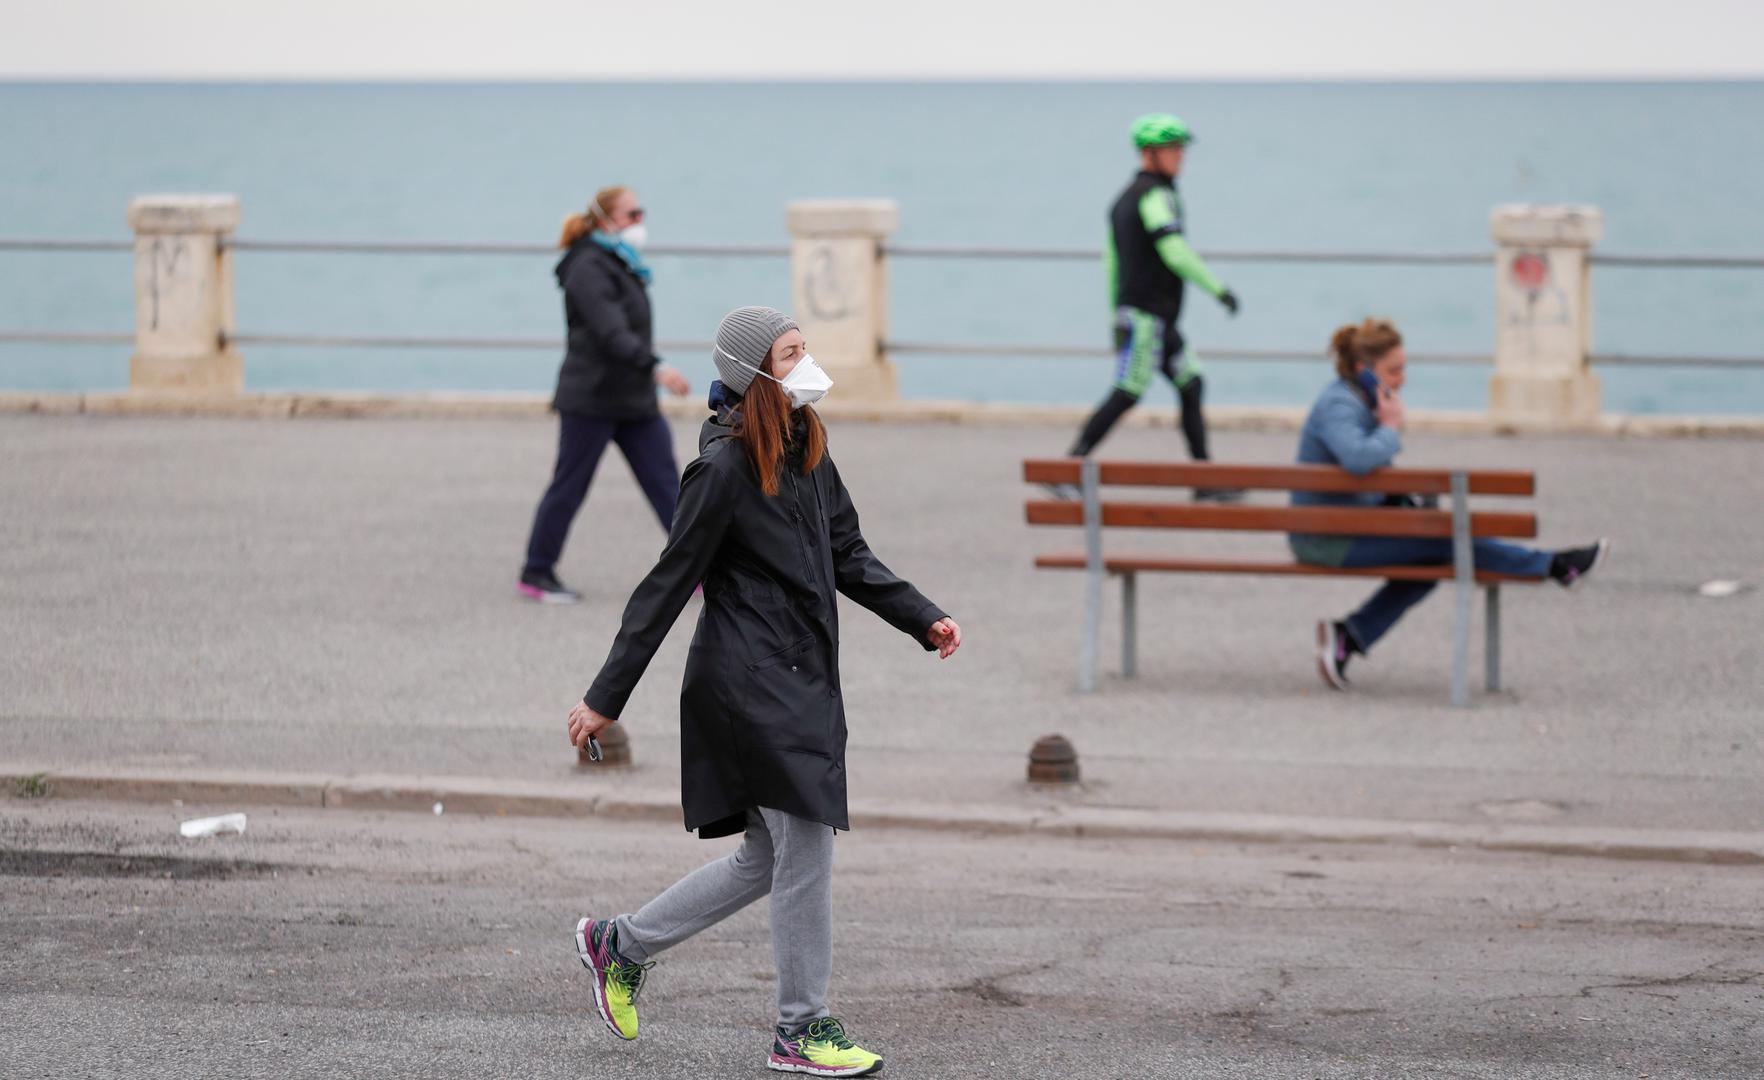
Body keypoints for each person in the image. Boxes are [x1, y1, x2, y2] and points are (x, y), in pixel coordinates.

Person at [565, 306, 962, 1077]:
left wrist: (922, 616)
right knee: (806, 846)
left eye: (804, 347)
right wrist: (605, 698)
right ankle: (800, 1029)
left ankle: (620, 945)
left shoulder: (806, 444)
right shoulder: (720, 471)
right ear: (753, 374)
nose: (805, 362)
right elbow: (665, 586)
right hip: (748, 687)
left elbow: (849, 552)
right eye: (790, 353)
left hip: (799, 679)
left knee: (765, 856)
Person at [1292, 318, 1610, 690]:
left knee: (1438, 555)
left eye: (1403, 369)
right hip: (1325, 540)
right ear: (1363, 370)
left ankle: (1350, 636)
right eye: (1393, 371)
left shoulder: (1360, 402)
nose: (1402, 379)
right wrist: (1391, 426)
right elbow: (1359, 459)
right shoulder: (1339, 406)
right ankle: (1554, 565)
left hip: (1345, 529)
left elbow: (1367, 478)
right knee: (1449, 540)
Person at [518, 185, 693, 603]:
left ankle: (699, 569)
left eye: (641, 213)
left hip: (633, 400)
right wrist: (656, 367)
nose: (640, 222)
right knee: (569, 487)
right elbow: (611, 331)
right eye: (632, 214)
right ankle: (536, 573)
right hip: (592, 399)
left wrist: (646, 372)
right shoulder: (587, 267)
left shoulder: (621, 261)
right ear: (604, 221)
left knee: (669, 488)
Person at [1062, 113, 1242, 501]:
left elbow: (1112, 262)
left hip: (1150, 317)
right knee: (1127, 391)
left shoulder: (1123, 200)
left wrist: (1116, 313)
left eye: (1181, 148)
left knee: (1191, 383)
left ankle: (1204, 479)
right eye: (1172, 149)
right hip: (1147, 318)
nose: (1181, 156)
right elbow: (1175, 252)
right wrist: (1218, 289)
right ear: (1148, 154)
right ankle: (1068, 469)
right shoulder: (1155, 197)